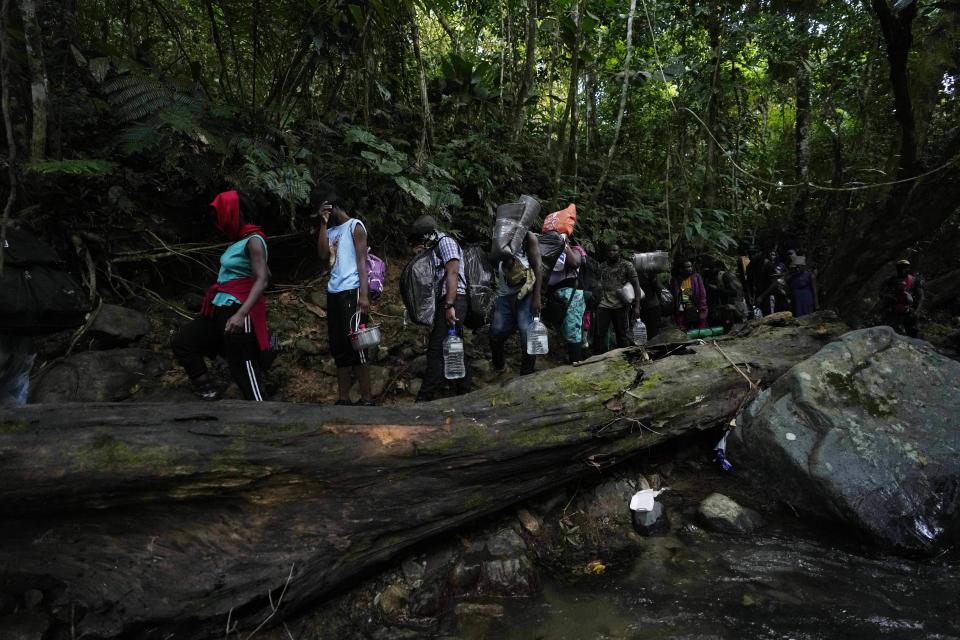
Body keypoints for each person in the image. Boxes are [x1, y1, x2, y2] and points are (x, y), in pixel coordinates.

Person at [172, 190, 270, 400]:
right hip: (220, 308)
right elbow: (265, 271)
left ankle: (262, 413)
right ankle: (209, 392)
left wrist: (241, 315)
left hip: (237, 309)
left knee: (243, 367)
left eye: (222, 213)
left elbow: (262, 279)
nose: (218, 220)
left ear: (235, 212)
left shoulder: (254, 240)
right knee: (184, 341)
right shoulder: (238, 241)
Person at [315, 188, 374, 406]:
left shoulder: (355, 226)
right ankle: (344, 398)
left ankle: (367, 397)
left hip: (353, 290)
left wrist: (364, 295)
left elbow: (362, 261)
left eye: (326, 208)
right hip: (334, 291)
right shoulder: (330, 231)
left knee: (357, 344)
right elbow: (322, 254)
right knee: (338, 344)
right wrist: (322, 223)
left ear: (333, 205)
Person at [408, 215, 470, 401]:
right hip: (448, 301)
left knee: (436, 350)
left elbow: (453, 271)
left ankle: (425, 397)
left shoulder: (446, 242)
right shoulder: (434, 247)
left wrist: (450, 304)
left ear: (429, 235)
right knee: (454, 346)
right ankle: (464, 391)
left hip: (455, 299)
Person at [490, 231, 543, 375]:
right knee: (496, 332)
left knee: (527, 334)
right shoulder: (499, 233)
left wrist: (537, 297)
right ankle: (500, 367)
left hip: (526, 294)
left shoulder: (528, 236)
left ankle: (527, 372)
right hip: (504, 295)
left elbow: (538, 266)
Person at [595, 243, 642, 351]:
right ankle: (598, 360)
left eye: (614, 250)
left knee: (622, 335)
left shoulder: (627, 265)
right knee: (599, 335)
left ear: (619, 252)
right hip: (603, 305)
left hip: (620, 305)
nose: (612, 253)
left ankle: (626, 360)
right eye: (610, 251)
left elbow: (636, 284)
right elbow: (597, 284)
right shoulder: (602, 266)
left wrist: (637, 306)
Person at [547, 238, 587, 363]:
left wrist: (565, 246)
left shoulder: (576, 250)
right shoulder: (549, 250)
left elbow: (575, 263)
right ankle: (569, 359)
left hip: (572, 294)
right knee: (562, 328)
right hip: (554, 295)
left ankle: (576, 361)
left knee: (572, 328)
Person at [880, 259, 924, 338]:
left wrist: (916, 310)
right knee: (887, 334)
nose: (903, 269)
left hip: (908, 311)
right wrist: (889, 297)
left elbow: (920, 297)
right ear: (897, 268)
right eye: (901, 267)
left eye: (906, 267)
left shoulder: (914, 280)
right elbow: (881, 293)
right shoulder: (890, 280)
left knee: (913, 334)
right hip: (892, 310)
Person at [671, 259, 708, 331]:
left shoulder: (696, 277)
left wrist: (702, 308)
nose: (690, 268)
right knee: (685, 329)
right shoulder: (676, 280)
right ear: (681, 269)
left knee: (699, 329)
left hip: (697, 307)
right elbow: (676, 297)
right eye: (687, 267)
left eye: (690, 266)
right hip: (683, 309)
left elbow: (702, 294)